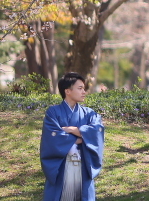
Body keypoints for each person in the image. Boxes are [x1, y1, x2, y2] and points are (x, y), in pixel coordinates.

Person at [40, 73, 105, 201]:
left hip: (83, 165)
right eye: (80, 88)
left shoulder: (89, 113)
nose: (84, 92)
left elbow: (97, 132)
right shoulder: (53, 112)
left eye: (84, 88)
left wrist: (72, 129)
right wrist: (80, 138)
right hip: (61, 166)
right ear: (67, 91)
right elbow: (52, 137)